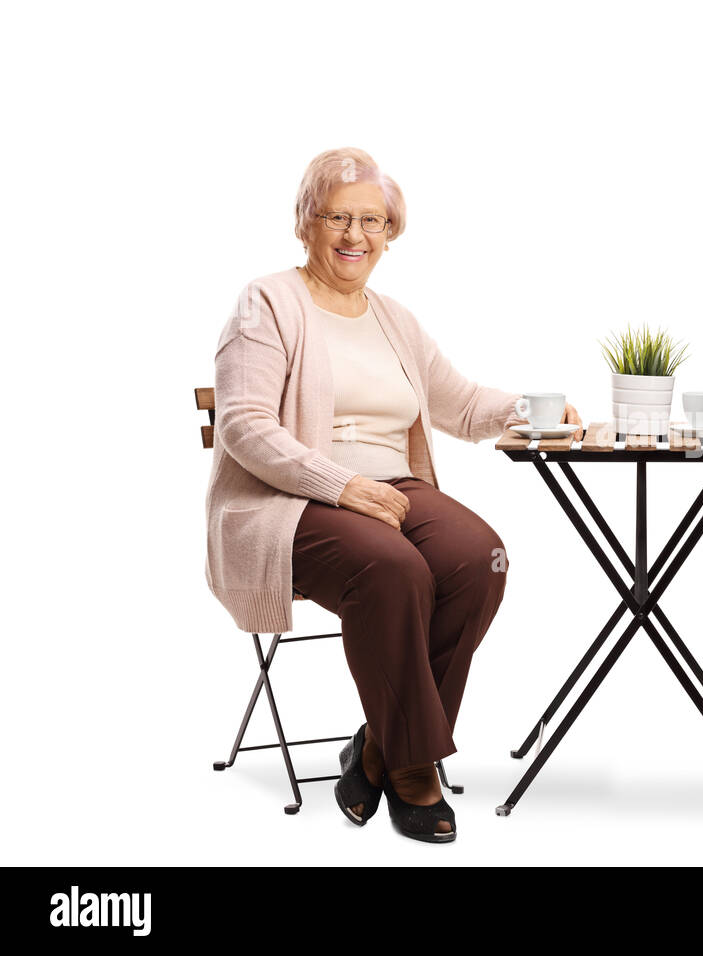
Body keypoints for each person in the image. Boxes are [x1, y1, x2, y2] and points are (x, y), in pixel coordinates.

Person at [203, 147, 582, 842]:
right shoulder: (266, 303)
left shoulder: (392, 318)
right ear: (304, 223)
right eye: (338, 217)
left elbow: (460, 404)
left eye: (371, 221)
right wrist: (339, 485)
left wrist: (535, 411)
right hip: (287, 502)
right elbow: (245, 427)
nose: (355, 236)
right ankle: (414, 769)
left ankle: (379, 746)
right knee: (394, 568)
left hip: (389, 490)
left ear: (391, 231)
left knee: (480, 559)